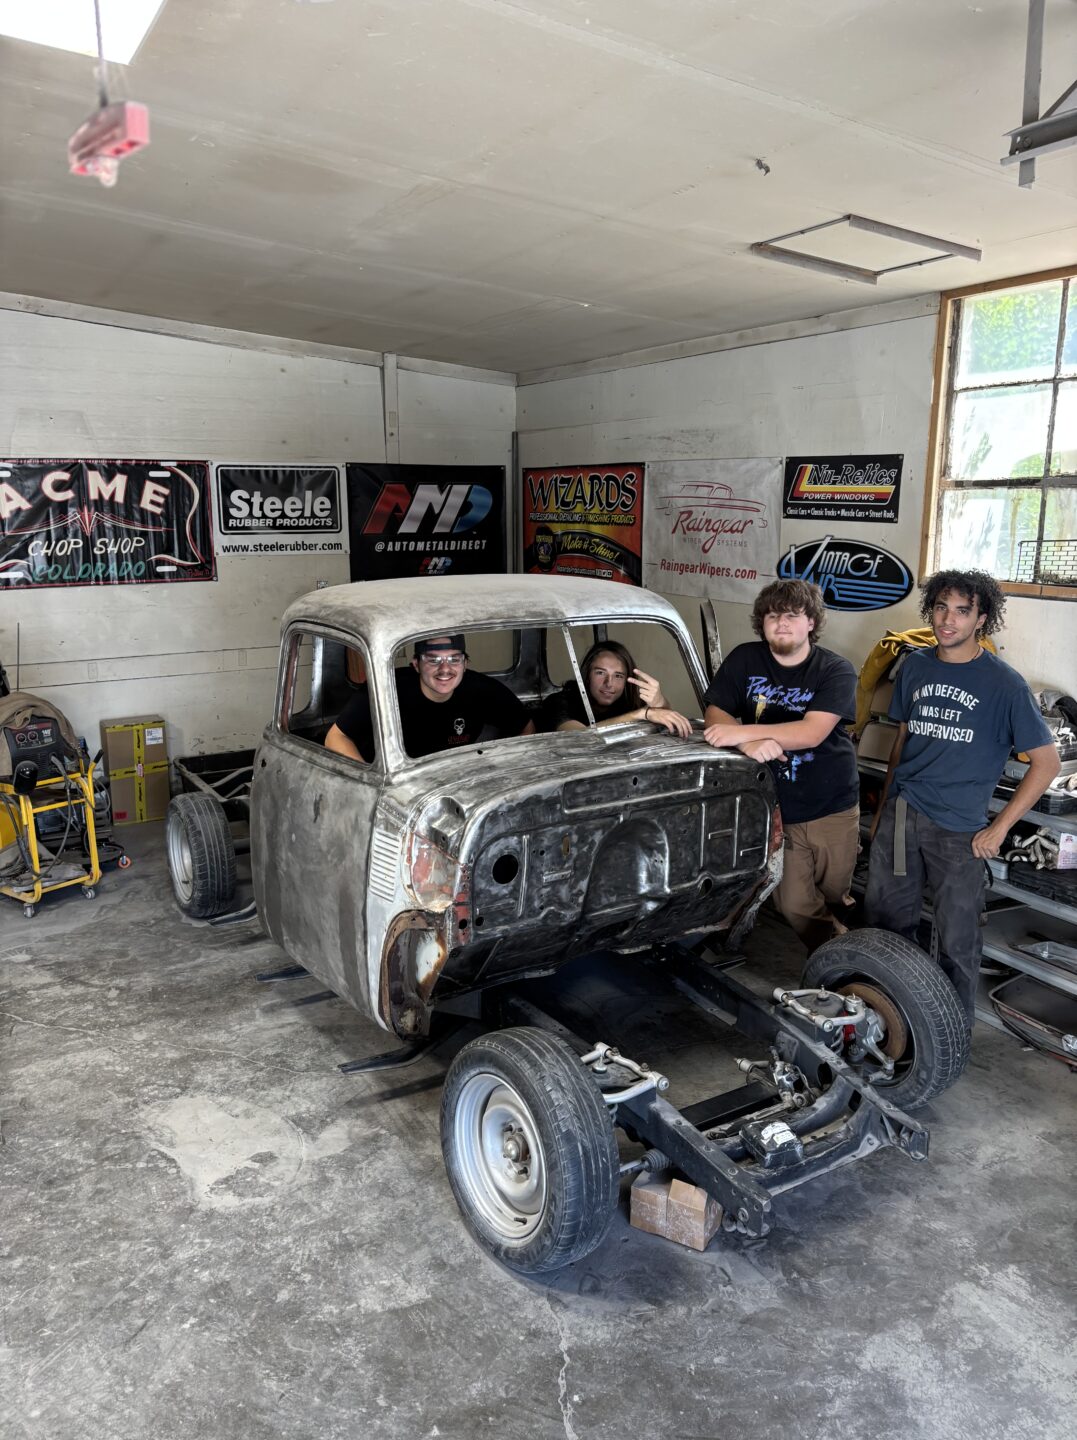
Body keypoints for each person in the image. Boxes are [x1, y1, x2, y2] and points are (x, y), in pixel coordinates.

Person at [866, 568, 1059, 1028]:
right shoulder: (915, 666)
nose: (948, 620)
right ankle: (886, 1021)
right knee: (886, 924)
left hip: (959, 832)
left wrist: (1000, 828)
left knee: (957, 939)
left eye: (961, 611)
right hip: (902, 815)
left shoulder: (1005, 685)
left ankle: (951, 1035)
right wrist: (884, 812)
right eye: (941, 608)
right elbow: (901, 742)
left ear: (981, 619)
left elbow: (1047, 763)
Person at [702, 578, 859, 952]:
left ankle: (844, 938)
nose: (782, 623)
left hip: (831, 805)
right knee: (794, 903)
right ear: (762, 623)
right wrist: (748, 742)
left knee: (835, 892)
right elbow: (716, 713)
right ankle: (841, 957)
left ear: (811, 622)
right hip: (774, 807)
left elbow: (811, 732)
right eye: (773, 616)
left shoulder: (836, 669)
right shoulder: (745, 659)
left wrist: (742, 733)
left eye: (792, 615)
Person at [325, 634, 534, 762]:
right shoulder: (386, 689)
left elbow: (526, 729)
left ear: (465, 664)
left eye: (454, 659)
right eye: (433, 660)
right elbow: (335, 738)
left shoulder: (482, 689)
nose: (445, 669)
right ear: (416, 665)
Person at [538, 639, 692, 737]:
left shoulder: (628, 701)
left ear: (626, 680)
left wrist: (660, 701)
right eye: (600, 673)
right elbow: (579, 736)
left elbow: (662, 715)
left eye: (618, 675)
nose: (609, 683)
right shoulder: (559, 702)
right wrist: (641, 714)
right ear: (587, 675)